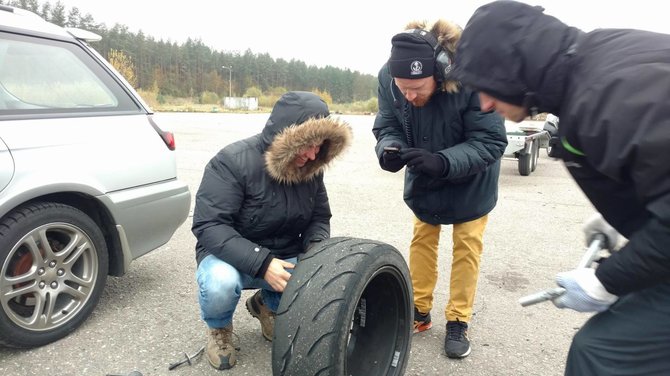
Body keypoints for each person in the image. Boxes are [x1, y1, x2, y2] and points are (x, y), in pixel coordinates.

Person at [451, 1, 670, 374]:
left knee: (600, 352)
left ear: (514, 67)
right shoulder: (595, 61)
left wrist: (606, 280)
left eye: (487, 88)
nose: (484, 103)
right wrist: (622, 215)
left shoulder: (608, 95)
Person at [372, 19, 508, 359]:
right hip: (426, 176)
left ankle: (458, 320)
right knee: (422, 239)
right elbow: (387, 123)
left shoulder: (474, 79)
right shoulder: (390, 79)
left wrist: (444, 162)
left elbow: (491, 141)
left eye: (417, 88)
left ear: (442, 71)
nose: (409, 95)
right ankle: (418, 310)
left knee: (466, 245)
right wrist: (388, 148)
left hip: (472, 179)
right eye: (403, 89)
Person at [191, 91, 352, 370]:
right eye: (309, 145)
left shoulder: (311, 168)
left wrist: (315, 250)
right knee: (220, 283)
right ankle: (219, 329)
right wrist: (262, 263)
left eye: (320, 146)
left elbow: (319, 218)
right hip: (229, 257)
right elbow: (209, 225)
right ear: (288, 139)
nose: (314, 154)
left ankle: (267, 306)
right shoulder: (232, 162)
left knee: (321, 274)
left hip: (283, 258)